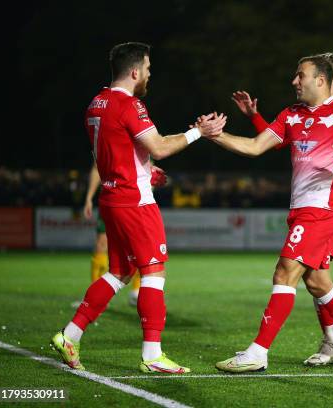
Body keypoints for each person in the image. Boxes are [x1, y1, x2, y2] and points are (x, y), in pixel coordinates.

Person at [51, 42, 226, 373]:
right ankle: (152, 355)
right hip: (135, 200)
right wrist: (198, 132)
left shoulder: (96, 103)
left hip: (112, 197)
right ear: (134, 72)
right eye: (146, 69)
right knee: (154, 271)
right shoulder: (130, 104)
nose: (148, 75)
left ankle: (70, 335)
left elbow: (113, 150)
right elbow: (158, 147)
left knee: (119, 272)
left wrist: (144, 169)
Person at [208, 54, 333, 373]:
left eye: (299, 75)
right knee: (317, 282)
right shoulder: (292, 114)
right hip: (301, 206)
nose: (294, 81)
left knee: (284, 271)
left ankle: (258, 352)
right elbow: (254, 146)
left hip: (326, 207)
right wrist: (212, 135)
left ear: (322, 80)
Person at [82, 162, 168, 306]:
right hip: (112, 200)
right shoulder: (105, 143)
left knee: (138, 250)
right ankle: (96, 297)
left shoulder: (139, 143)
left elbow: (151, 164)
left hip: (134, 203)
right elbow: (97, 168)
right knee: (101, 246)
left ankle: (136, 291)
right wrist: (89, 197)